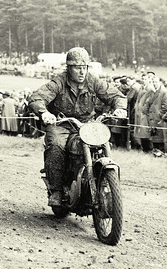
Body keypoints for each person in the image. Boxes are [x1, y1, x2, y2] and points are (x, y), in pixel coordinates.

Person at [27, 47, 127, 208]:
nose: (82, 72)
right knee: (56, 146)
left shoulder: (93, 81)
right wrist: (44, 112)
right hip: (61, 124)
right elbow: (37, 97)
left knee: (101, 144)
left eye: (84, 67)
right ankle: (57, 190)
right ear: (69, 68)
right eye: (77, 68)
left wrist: (120, 108)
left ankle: (101, 183)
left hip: (87, 124)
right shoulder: (59, 82)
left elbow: (115, 95)